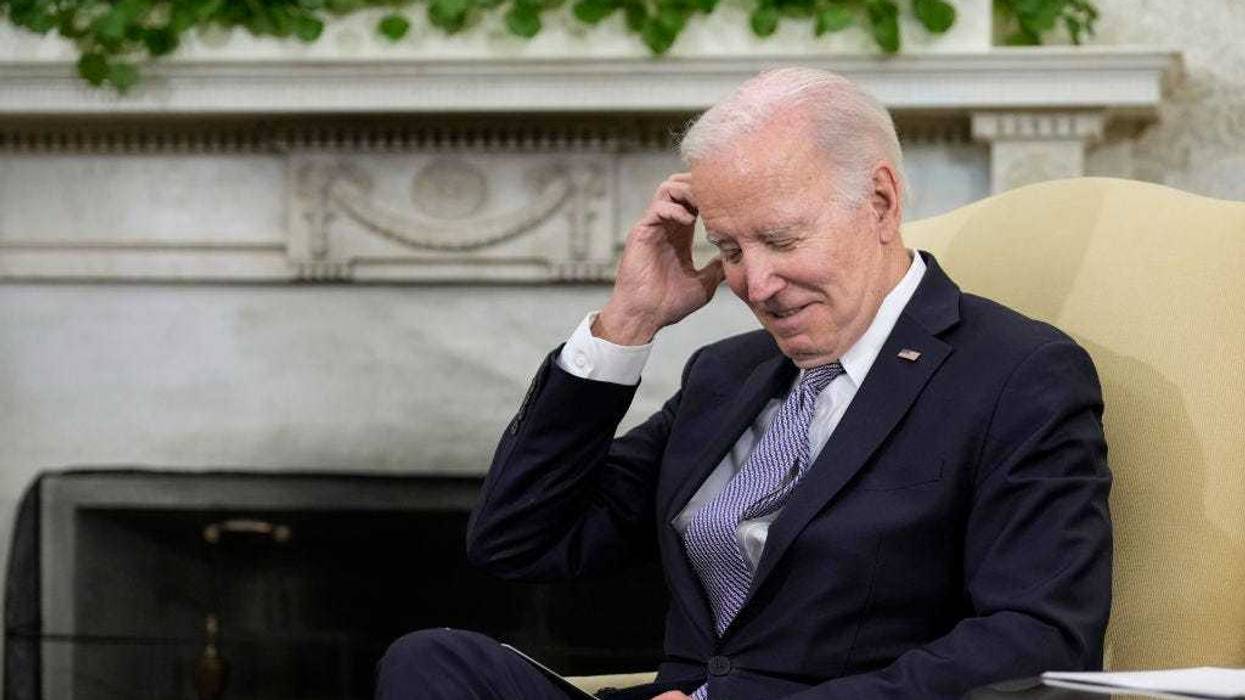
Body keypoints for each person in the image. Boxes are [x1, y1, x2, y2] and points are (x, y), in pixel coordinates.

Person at [377, 67, 1112, 700]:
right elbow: (518, 541)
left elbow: (1037, 636)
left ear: (881, 203)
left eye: (782, 240)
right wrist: (627, 323)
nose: (754, 285)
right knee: (433, 662)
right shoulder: (726, 374)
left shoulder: (1016, 373)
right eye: (729, 248)